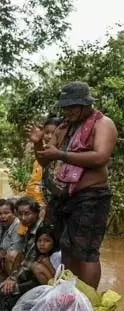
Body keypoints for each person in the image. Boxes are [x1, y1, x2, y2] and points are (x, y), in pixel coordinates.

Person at [28, 81, 119, 289]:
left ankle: (89, 300)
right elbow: (44, 160)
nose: (67, 111)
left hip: (92, 197)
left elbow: (100, 157)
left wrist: (60, 154)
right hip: (65, 196)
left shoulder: (103, 124)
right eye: (65, 107)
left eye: (71, 107)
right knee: (67, 247)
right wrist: (37, 143)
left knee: (86, 252)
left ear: (85, 105)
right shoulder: (63, 128)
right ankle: (69, 294)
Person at [0, 196, 42, 295]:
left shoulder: (39, 231)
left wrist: (13, 279)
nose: (23, 218)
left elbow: (29, 262)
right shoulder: (30, 229)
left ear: (36, 213)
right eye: (20, 214)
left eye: (27, 214)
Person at [25, 115, 63, 213]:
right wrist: (37, 143)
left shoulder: (65, 154)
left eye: (53, 133)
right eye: (46, 133)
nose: (49, 136)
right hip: (46, 205)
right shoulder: (44, 156)